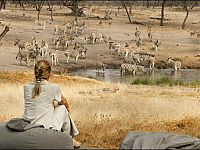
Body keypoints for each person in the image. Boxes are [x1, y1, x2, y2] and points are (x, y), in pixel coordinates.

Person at [22, 60, 81, 147]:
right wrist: (67, 106)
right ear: (49, 74)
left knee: (54, 108)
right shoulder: (53, 88)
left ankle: (71, 138)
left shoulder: (26, 86)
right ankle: (70, 139)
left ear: (35, 73)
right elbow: (63, 101)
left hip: (27, 127)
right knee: (62, 109)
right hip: (45, 131)